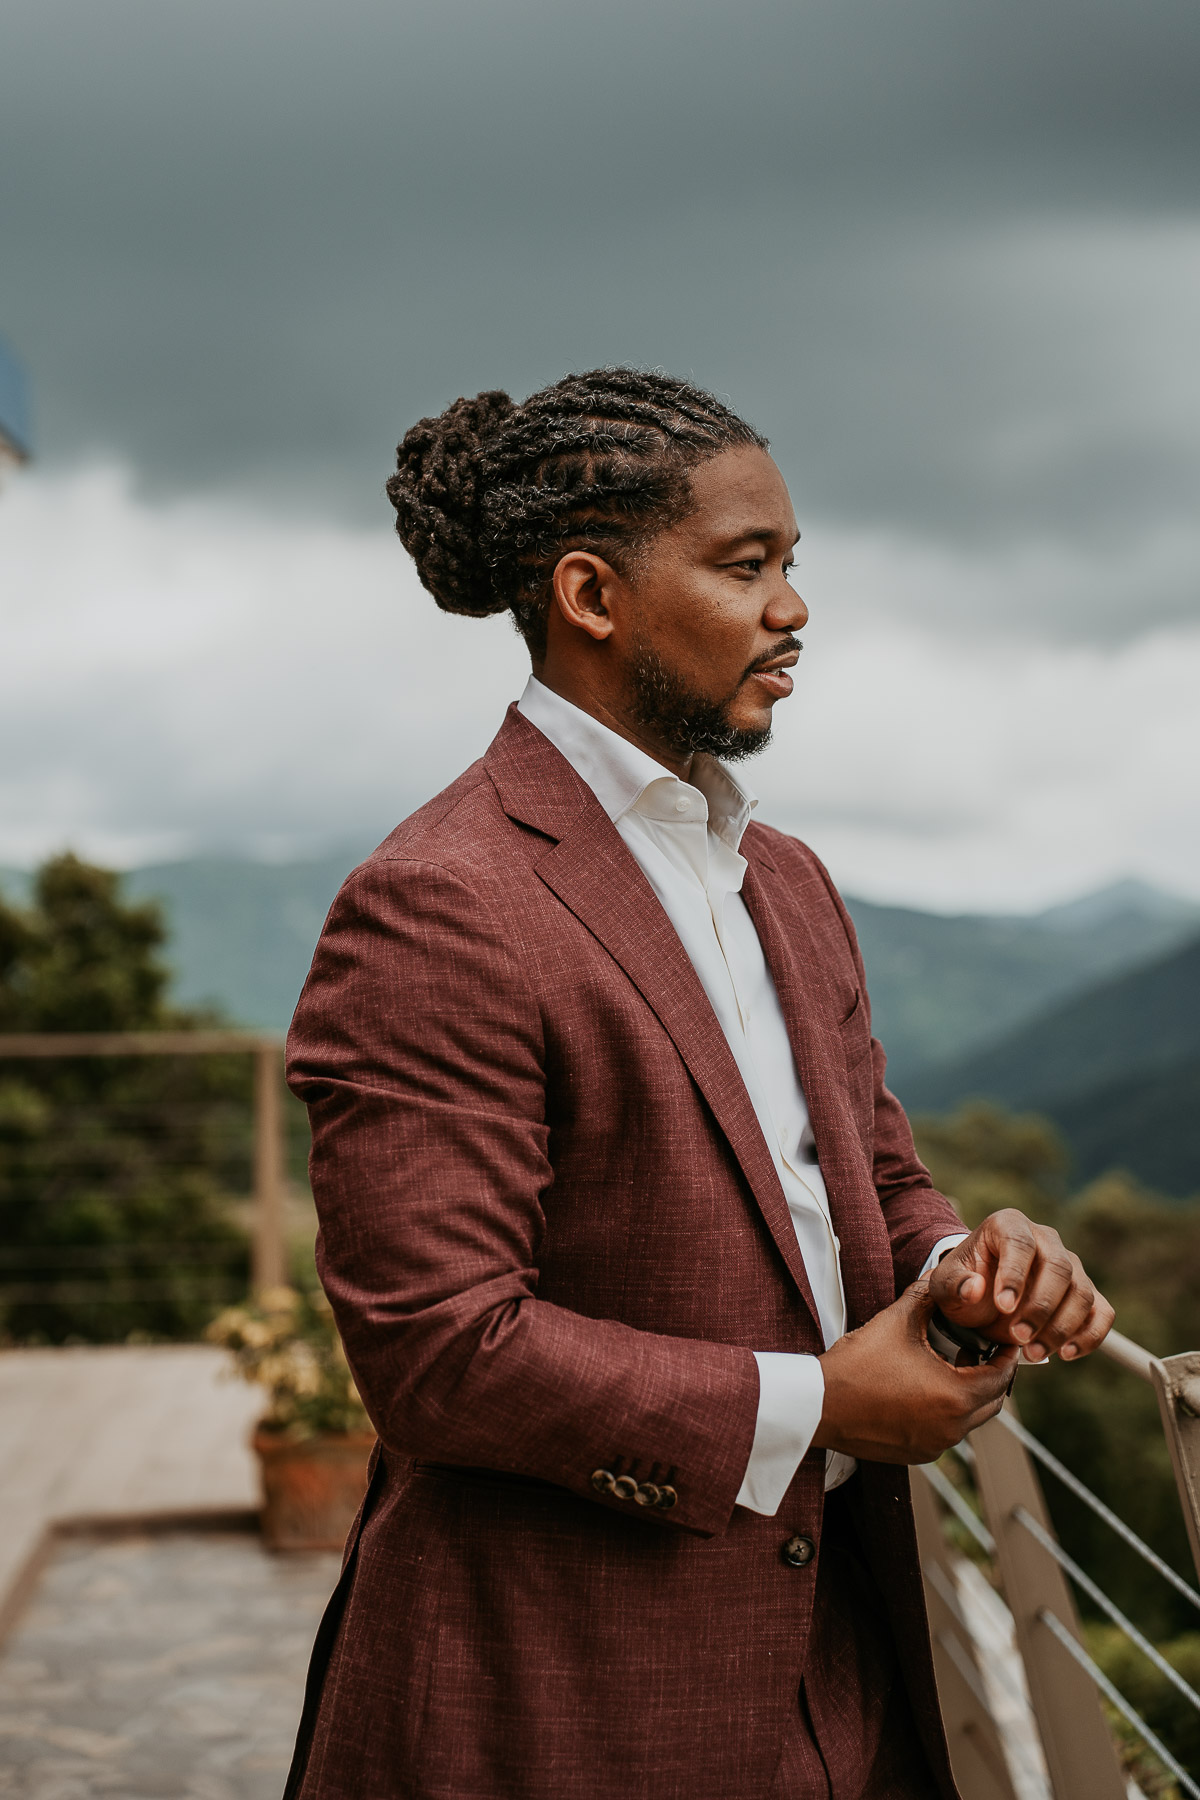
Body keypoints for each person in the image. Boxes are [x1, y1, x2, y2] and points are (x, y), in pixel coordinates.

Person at [284, 369, 1114, 1800]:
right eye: (748, 566)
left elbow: (876, 1168)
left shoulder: (784, 880)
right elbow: (436, 1350)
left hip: (846, 1668)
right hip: (551, 1698)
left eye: (792, 564)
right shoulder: (438, 903)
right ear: (592, 596)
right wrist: (819, 1410)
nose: (794, 610)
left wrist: (963, 1264)